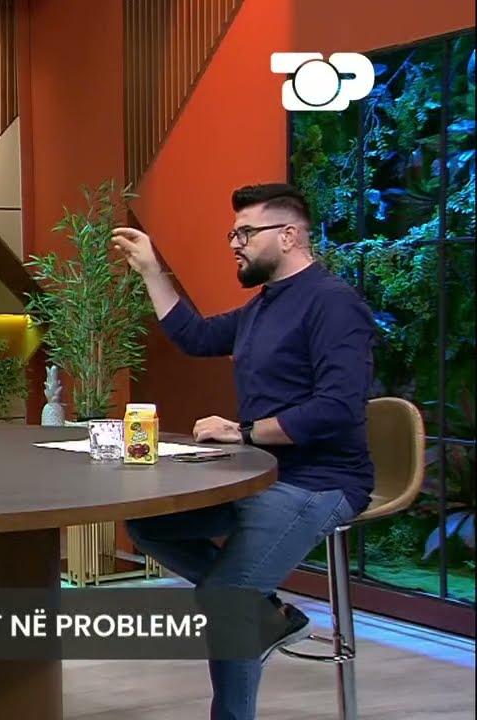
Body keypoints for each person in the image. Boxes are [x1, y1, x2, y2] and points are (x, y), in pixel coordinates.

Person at [111, 183, 375, 720]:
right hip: (261, 477)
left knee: (226, 599)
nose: (234, 244)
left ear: (290, 235)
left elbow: (338, 407)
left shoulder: (333, 303)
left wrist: (246, 432)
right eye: (233, 234)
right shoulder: (264, 306)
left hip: (321, 480)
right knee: (148, 525)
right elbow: (196, 337)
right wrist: (152, 270)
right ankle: (266, 613)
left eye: (246, 233)